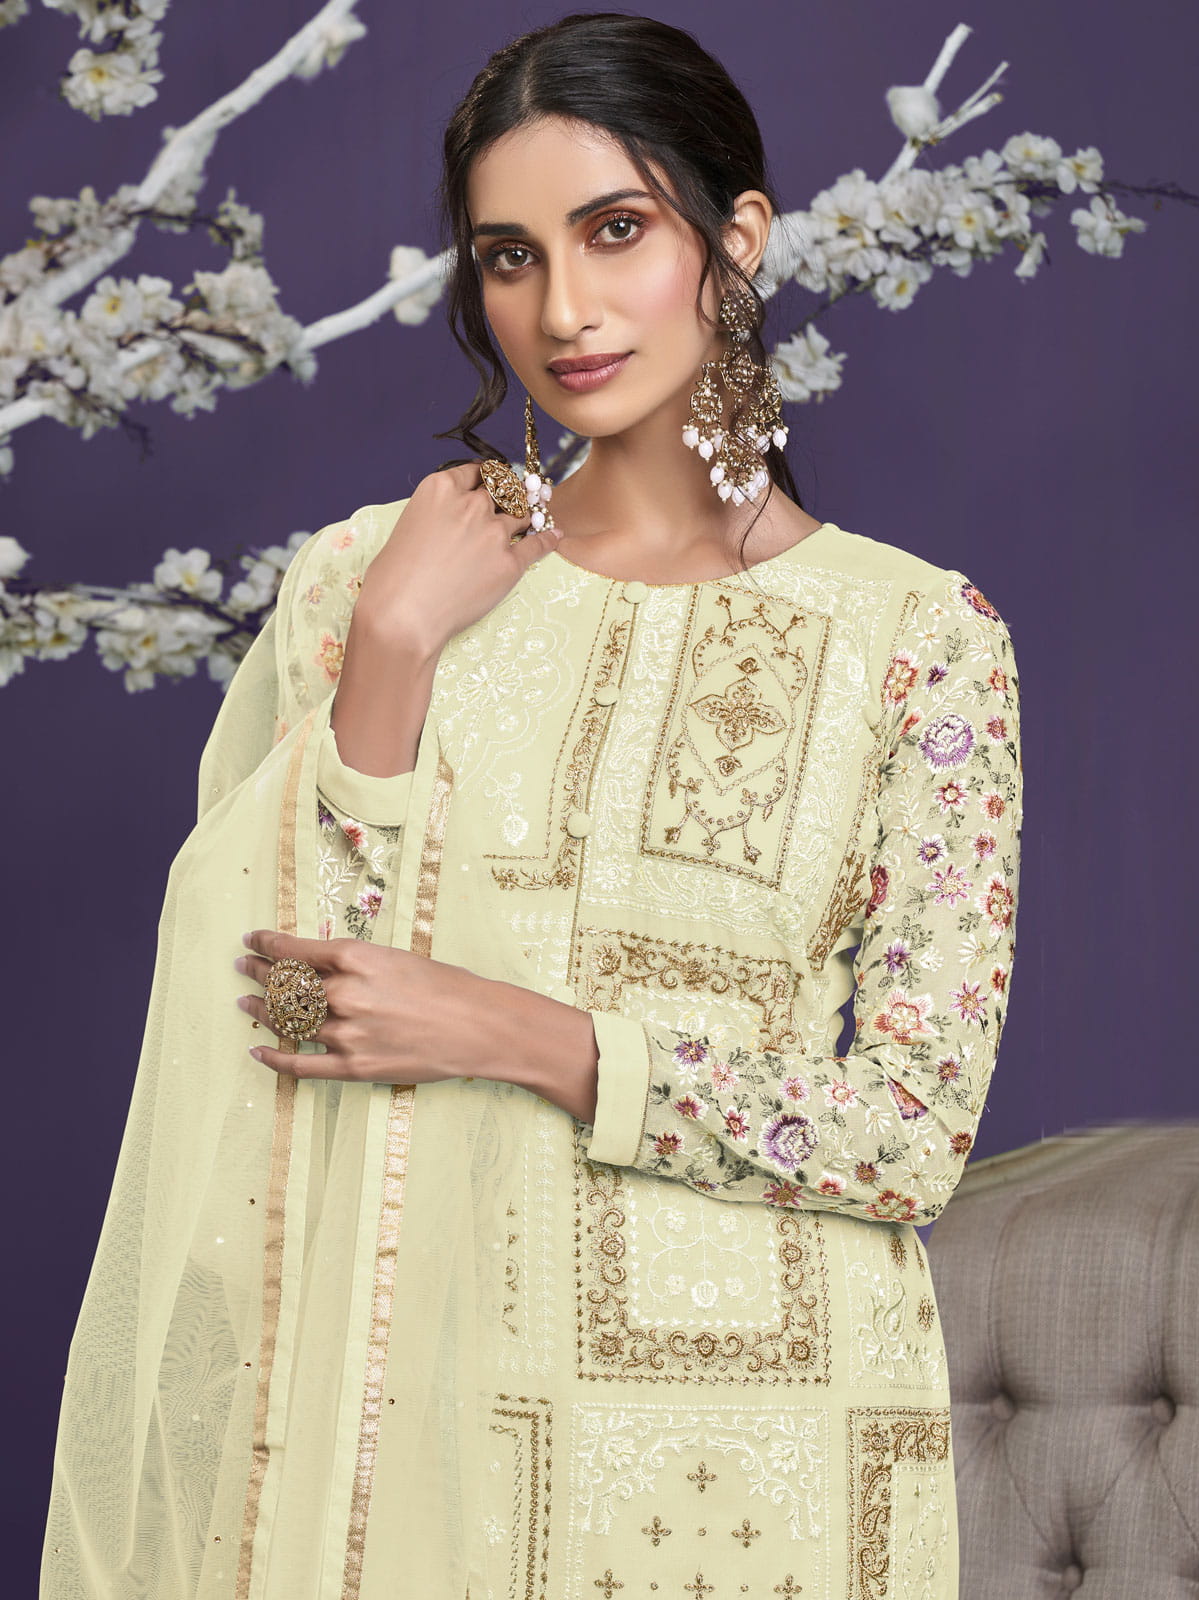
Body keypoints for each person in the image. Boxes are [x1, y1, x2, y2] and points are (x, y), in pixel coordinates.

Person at [41, 13, 1023, 1599]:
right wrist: (394, 651)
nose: (561, 310)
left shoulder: (918, 638)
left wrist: (519, 1034)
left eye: (615, 231)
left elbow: (909, 1136)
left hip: (764, 1453)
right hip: (411, 1409)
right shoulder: (366, 585)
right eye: (510, 257)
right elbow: (273, 1013)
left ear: (737, 239)